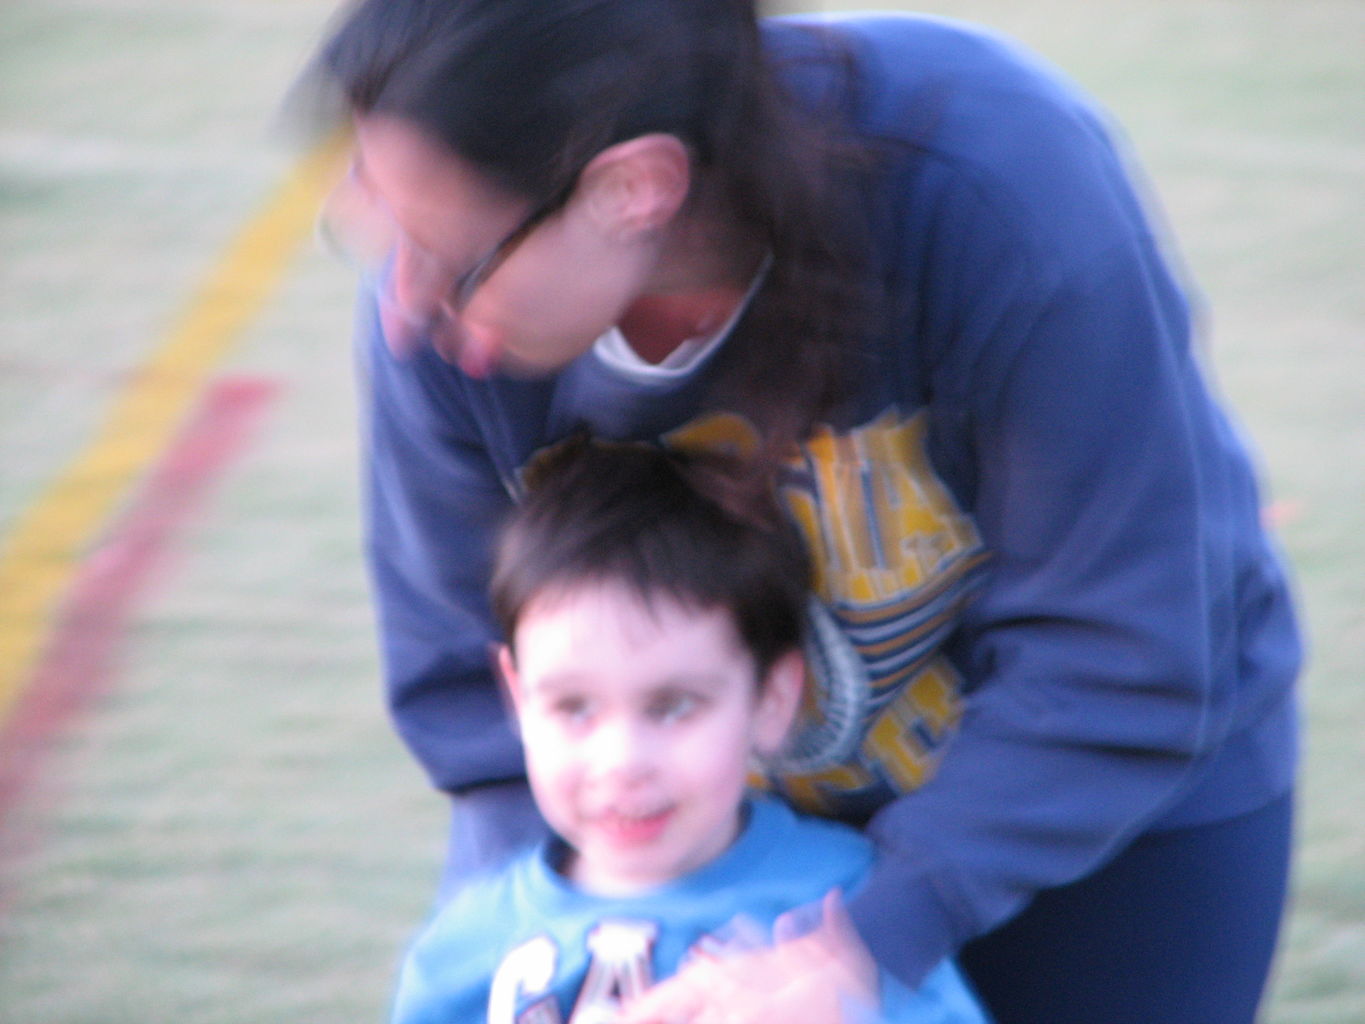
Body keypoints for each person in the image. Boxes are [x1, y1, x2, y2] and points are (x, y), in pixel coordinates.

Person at [304, 2, 1301, 1022]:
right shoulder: (433, 339)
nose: (403, 308)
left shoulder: (996, 189)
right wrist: (564, 940)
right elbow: (478, 703)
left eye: (453, 258)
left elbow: (1121, 645)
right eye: (382, 230)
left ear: (633, 189)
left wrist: (870, 938)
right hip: (707, 827)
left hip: (1094, 817)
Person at [389, 437, 987, 1024]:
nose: (621, 759)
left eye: (673, 706)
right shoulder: (464, 949)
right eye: (575, 707)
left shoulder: (847, 913)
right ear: (517, 698)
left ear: (772, 700)